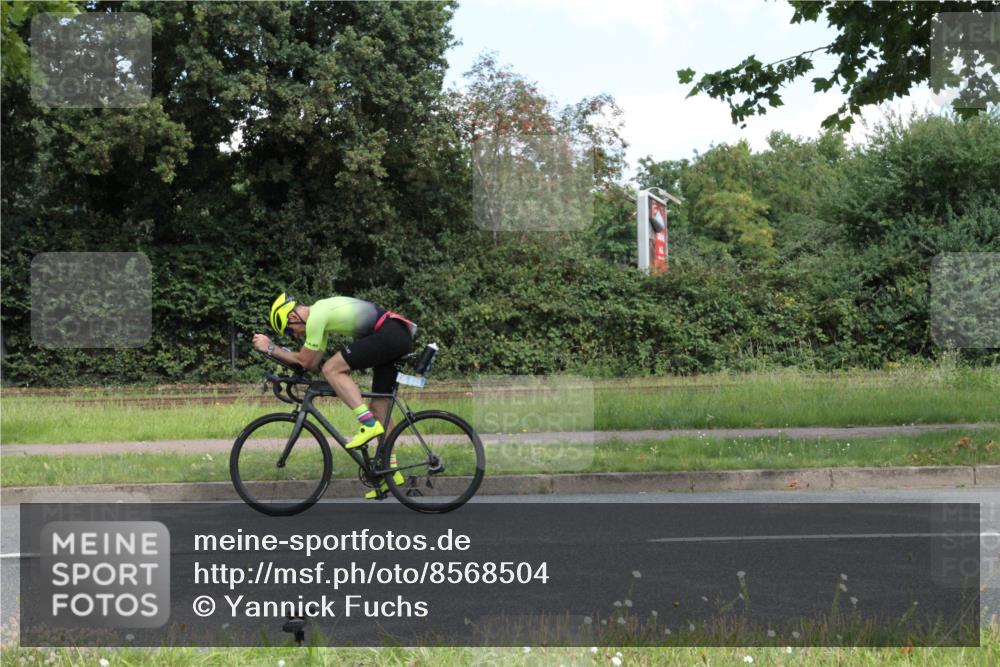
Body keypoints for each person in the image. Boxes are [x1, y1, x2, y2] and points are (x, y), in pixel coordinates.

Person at [252, 293, 416, 497]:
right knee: (379, 407)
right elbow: (310, 363)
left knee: (331, 369)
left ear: (293, 317)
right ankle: (390, 474)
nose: (293, 336)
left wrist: (270, 347)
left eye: (288, 330)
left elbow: (305, 361)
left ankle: (368, 423)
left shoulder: (317, 316)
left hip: (389, 333)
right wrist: (277, 352)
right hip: (395, 334)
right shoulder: (320, 320)